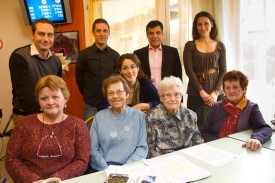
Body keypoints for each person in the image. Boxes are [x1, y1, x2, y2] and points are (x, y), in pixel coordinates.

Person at [5, 75, 91, 182]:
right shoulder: (23, 124)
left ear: (65, 98)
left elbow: (81, 160)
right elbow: (11, 158)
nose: (50, 102)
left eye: (55, 97)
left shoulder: (78, 125)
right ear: (38, 101)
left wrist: (56, 179)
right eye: (44, 98)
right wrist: (33, 180)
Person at [200, 70, 272, 151]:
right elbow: (203, 131)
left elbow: (265, 128)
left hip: (240, 150)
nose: (231, 91)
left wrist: (257, 138)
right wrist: (218, 143)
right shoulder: (216, 106)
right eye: (227, 87)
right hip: (215, 149)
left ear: (244, 89)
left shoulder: (251, 108)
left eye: (235, 87)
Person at [9, 18, 62, 124]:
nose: (46, 39)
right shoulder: (19, 56)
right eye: (41, 34)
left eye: (50, 35)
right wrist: (43, 117)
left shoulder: (56, 61)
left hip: (50, 114)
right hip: (26, 116)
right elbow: (25, 94)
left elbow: (57, 89)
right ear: (32, 35)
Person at [90, 75, 148, 171]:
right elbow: (93, 149)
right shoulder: (99, 117)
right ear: (107, 97)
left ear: (127, 94)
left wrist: (125, 169)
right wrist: (107, 169)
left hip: (132, 169)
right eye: (111, 93)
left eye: (119, 92)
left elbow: (142, 148)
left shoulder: (138, 116)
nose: (115, 96)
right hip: (104, 170)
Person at [183, 11, 227, 126]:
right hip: (195, 92)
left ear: (212, 24)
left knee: (218, 125)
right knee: (195, 125)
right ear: (195, 27)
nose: (203, 27)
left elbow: (223, 71)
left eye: (206, 23)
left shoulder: (220, 45)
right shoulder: (190, 45)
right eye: (199, 24)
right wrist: (201, 92)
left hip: (216, 91)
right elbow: (189, 71)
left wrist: (215, 93)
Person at [146, 76, 204, 158]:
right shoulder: (151, 117)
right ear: (161, 98)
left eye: (176, 94)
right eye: (167, 95)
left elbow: (198, 142)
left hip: (188, 158)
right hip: (163, 160)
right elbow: (150, 147)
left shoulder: (191, 115)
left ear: (181, 96)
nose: (173, 99)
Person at [75, 18, 120, 120]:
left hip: (111, 103)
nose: (102, 34)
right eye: (98, 31)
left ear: (109, 33)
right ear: (93, 33)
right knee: (90, 133)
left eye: (105, 31)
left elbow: (118, 79)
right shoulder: (84, 54)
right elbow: (79, 78)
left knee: (111, 133)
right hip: (91, 104)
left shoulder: (115, 55)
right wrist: (86, 94)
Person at [134, 20, 182, 88]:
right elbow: (136, 77)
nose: (155, 36)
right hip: (147, 94)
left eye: (158, 33)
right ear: (147, 35)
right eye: (151, 33)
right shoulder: (138, 54)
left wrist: (179, 97)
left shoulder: (172, 52)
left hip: (168, 93)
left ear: (162, 34)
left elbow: (178, 77)